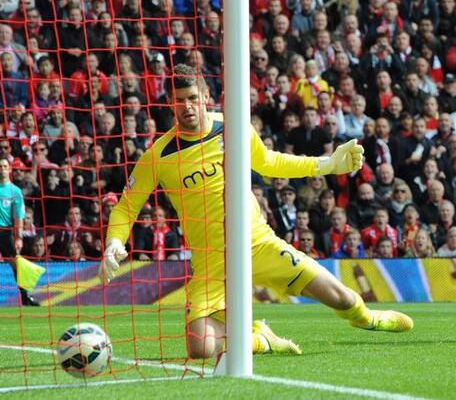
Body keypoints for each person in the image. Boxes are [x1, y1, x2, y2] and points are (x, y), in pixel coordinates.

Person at [100, 65, 413, 360]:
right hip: (211, 263)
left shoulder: (232, 128)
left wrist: (327, 163)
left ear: (206, 97)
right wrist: (115, 241)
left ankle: (369, 318)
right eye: (180, 101)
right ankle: (261, 339)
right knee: (200, 347)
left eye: (194, 98)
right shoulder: (159, 156)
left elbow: (270, 162)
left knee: (341, 298)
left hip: (258, 244)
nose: (188, 107)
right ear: (171, 102)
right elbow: (127, 206)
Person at [0, 159, 38, 306]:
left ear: (8, 169)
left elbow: (19, 216)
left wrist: (18, 237)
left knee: (16, 264)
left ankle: (25, 296)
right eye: (0, 166)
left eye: (4, 166)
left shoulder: (15, 191)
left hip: (6, 232)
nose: (2, 169)